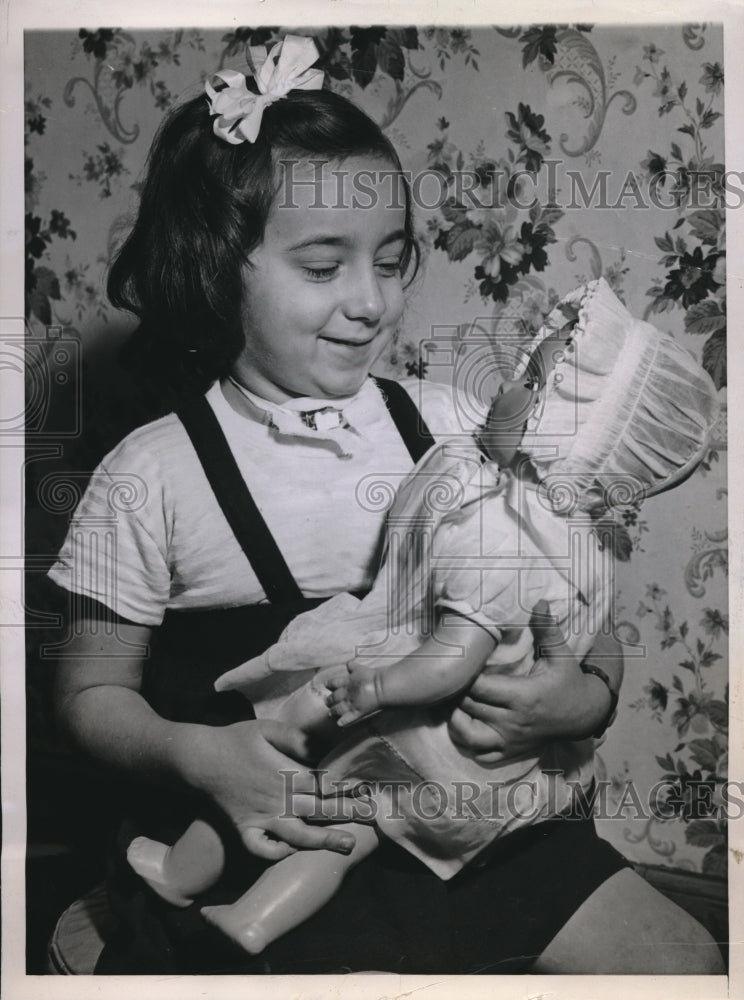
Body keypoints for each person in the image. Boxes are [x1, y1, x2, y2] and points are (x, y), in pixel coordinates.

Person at [49, 36, 724, 975]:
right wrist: (199, 760)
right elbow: (88, 697)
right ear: (216, 264)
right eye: (324, 267)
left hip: (470, 827)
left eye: (393, 261)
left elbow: (576, 609)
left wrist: (582, 698)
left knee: (684, 961)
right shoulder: (150, 474)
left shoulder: (457, 425)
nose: (371, 302)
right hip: (268, 829)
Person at [122, 276, 720, 957]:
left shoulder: (488, 504)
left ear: (571, 435)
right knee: (338, 819)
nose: (511, 378)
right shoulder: (569, 531)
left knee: (304, 766)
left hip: (419, 730)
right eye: (321, 264)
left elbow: (490, 651)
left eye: (535, 377)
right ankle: (248, 919)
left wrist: (587, 700)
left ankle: (184, 873)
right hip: (474, 786)